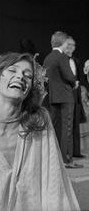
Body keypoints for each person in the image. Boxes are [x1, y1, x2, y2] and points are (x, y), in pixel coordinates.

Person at [0, 52, 80, 211]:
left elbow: (54, 184)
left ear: (30, 88)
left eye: (28, 75)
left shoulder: (39, 124)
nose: (21, 77)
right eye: (13, 71)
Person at [43, 31, 83, 168]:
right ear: (62, 42)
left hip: (54, 97)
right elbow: (69, 76)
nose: (68, 46)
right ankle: (67, 160)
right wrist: (75, 82)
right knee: (67, 128)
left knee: (56, 128)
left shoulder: (47, 58)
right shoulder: (62, 57)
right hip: (66, 97)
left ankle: (56, 159)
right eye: (67, 43)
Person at [64, 36, 87, 158]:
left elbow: (80, 78)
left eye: (73, 46)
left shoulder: (76, 61)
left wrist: (81, 91)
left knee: (76, 124)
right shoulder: (60, 60)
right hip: (66, 95)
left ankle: (76, 152)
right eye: (68, 45)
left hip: (76, 94)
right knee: (67, 125)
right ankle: (67, 153)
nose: (71, 48)